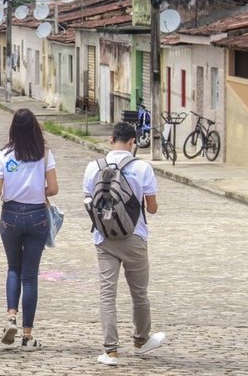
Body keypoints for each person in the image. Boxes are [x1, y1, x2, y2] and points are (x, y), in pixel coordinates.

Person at [82, 122, 165, 366]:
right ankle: (141, 341)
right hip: (134, 237)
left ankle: (110, 351)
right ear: (132, 142)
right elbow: (151, 207)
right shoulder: (142, 168)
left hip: (104, 239)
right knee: (139, 293)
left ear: (111, 140)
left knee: (107, 294)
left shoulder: (93, 167)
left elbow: (88, 201)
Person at [0, 108, 58, 351]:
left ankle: (10, 317)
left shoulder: (2, 155)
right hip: (37, 216)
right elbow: (54, 188)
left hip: (11, 215)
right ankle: (28, 335)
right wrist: (36, 189)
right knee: (31, 276)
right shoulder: (45, 154)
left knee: (13, 268)